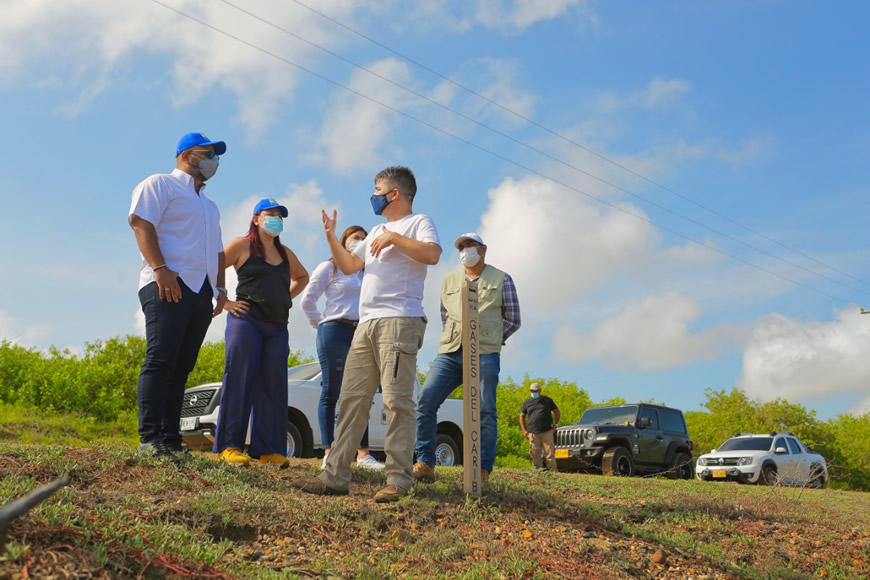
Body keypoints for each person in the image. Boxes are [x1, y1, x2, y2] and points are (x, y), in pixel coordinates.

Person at [293, 166, 441, 503]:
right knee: (350, 400)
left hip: (400, 321)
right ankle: (334, 476)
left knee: (396, 402)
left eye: (378, 189)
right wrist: (331, 234)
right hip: (366, 324)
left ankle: (399, 479)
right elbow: (348, 265)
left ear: (394, 194)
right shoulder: (375, 230)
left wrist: (396, 239)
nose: (373, 195)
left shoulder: (419, 223)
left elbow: (432, 254)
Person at [129, 132, 229, 461]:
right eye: (208, 153)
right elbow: (142, 223)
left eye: (216, 155)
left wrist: (221, 289)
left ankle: (171, 439)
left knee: (182, 367)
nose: (214, 160)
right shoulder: (160, 185)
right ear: (187, 155)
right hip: (167, 281)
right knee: (160, 359)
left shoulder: (209, 206)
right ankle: (150, 438)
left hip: (201, 291)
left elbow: (216, 250)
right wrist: (160, 268)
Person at [413, 232, 521, 488]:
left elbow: (514, 319)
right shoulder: (449, 280)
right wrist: (457, 338)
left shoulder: (501, 279)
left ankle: (481, 470)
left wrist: (491, 339)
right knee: (426, 401)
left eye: (470, 246)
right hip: (450, 352)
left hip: (485, 353)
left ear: (483, 249)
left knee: (485, 410)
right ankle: (426, 462)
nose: (465, 250)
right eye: (461, 247)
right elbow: (445, 315)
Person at [212, 199, 309, 466]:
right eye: (271, 215)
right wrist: (225, 301)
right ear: (256, 219)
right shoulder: (242, 245)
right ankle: (229, 446)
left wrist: (284, 298)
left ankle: (268, 449)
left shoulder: (286, 253)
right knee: (240, 379)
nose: (276, 219)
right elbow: (214, 265)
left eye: (280, 216)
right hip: (246, 321)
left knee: (273, 385)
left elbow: (303, 277)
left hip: (277, 326)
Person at [299, 225, 385, 471]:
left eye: (364, 239)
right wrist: (321, 324)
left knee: (360, 394)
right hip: (334, 330)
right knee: (332, 390)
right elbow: (308, 300)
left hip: (361, 332)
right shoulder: (330, 267)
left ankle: (363, 455)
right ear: (344, 241)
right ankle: (329, 451)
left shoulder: (367, 273)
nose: (359, 242)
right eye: (355, 238)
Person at [520, 382, 561, 472]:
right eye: (532, 391)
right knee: (535, 453)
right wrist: (524, 430)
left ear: (540, 390)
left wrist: (556, 424)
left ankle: (553, 470)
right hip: (533, 432)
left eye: (535, 390)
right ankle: (537, 471)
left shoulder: (547, 400)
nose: (534, 392)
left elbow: (557, 411)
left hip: (547, 431)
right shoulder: (527, 402)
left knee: (549, 452)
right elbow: (522, 416)